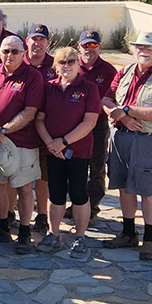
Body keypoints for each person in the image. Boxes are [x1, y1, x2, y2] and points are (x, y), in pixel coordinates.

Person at [101, 31, 152, 262]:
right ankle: (128, 233)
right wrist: (122, 118)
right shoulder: (124, 72)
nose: (144, 51)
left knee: (146, 189)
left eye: (150, 48)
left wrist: (126, 110)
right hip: (120, 136)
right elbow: (106, 99)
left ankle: (150, 239)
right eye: (140, 47)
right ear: (134, 49)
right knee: (123, 186)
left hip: (146, 140)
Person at [0, 35, 45, 253]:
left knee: (24, 187)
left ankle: (25, 233)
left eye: (15, 51)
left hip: (21, 141)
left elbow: (30, 112)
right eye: (6, 51)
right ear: (0, 52)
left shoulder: (32, 76)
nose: (10, 55)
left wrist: (4, 130)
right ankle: (2, 228)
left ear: (23, 53)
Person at [34, 47, 100, 259]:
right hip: (53, 151)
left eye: (72, 61)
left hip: (78, 151)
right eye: (63, 62)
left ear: (78, 63)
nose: (67, 65)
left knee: (79, 194)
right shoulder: (49, 88)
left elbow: (90, 122)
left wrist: (63, 142)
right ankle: (54, 234)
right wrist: (51, 144)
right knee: (56, 193)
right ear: (56, 65)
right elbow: (40, 119)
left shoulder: (88, 88)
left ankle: (80, 237)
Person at [76, 30, 117, 221]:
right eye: (86, 45)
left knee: (97, 164)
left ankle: (93, 204)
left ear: (99, 47)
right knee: (75, 164)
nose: (89, 49)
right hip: (74, 124)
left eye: (93, 45)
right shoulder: (72, 65)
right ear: (79, 46)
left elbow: (114, 96)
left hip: (98, 124)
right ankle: (77, 201)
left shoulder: (108, 70)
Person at [24, 23, 56, 234]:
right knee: (20, 176)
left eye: (41, 39)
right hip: (22, 129)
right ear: (27, 41)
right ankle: (11, 214)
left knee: (44, 176)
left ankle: (42, 215)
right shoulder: (18, 60)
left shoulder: (56, 64)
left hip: (47, 129)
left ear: (48, 42)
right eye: (33, 39)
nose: (37, 43)